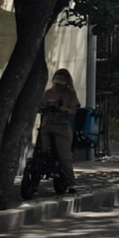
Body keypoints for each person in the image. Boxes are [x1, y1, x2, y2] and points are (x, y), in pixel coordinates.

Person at [21, 68, 79, 202]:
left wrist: (64, 109)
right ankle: (33, 184)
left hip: (62, 129)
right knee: (39, 155)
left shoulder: (70, 95)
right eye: (56, 83)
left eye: (60, 84)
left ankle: (71, 184)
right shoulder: (48, 93)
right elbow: (39, 106)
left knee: (64, 157)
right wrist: (43, 106)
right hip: (46, 127)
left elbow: (73, 110)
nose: (58, 86)